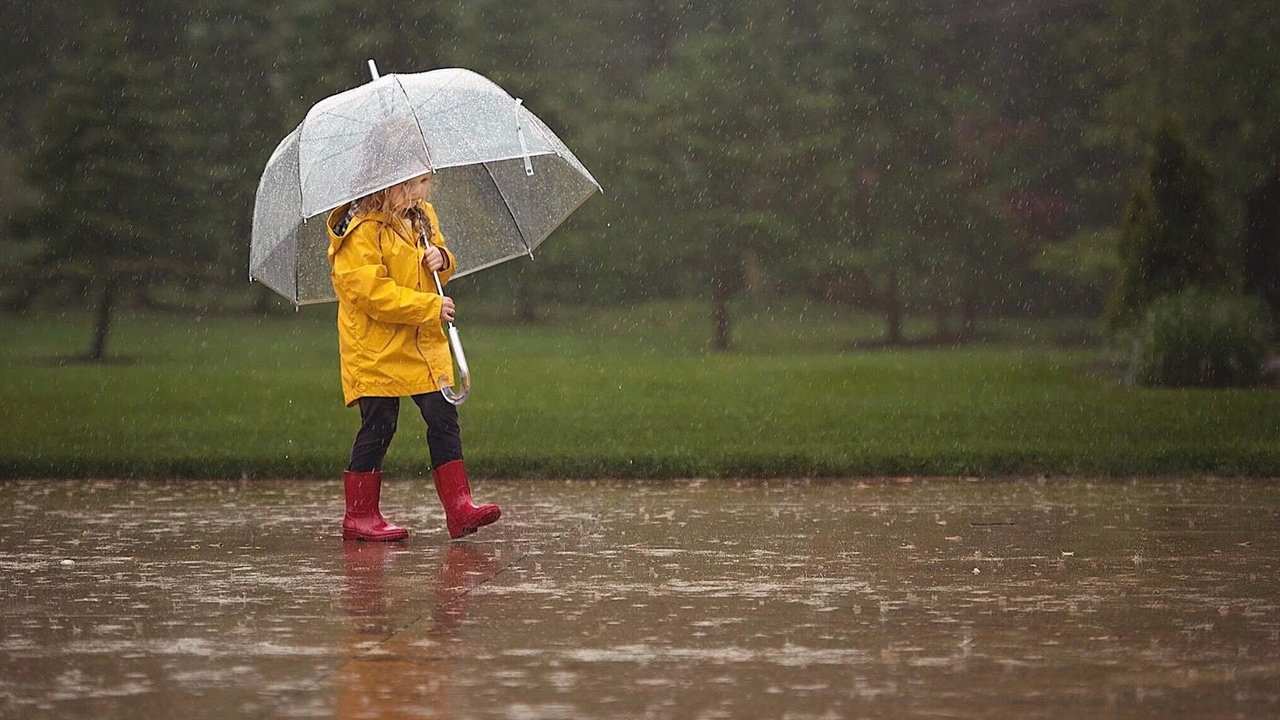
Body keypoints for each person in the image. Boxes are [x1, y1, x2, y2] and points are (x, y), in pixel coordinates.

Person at [326, 170, 500, 541]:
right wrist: (428, 307)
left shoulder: (422, 218)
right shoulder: (359, 231)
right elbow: (371, 294)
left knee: (443, 416)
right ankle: (359, 514)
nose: (425, 190)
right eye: (418, 183)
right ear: (393, 183)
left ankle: (459, 508)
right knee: (379, 424)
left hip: (422, 343)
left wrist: (443, 258)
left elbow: (435, 276)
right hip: (375, 347)